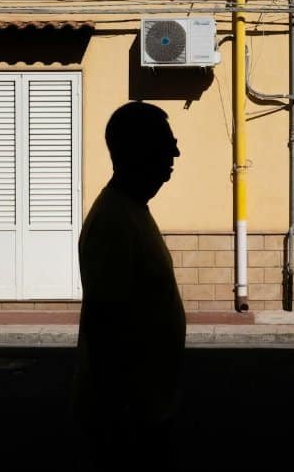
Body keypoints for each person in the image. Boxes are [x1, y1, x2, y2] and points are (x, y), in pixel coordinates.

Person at [73, 101, 185, 471]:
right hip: (130, 418)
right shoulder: (114, 222)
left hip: (146, 407)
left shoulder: (131, 210)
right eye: (166, 143)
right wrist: (124, 420)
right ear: (138, 150)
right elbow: (108, 329)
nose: (175, 152)